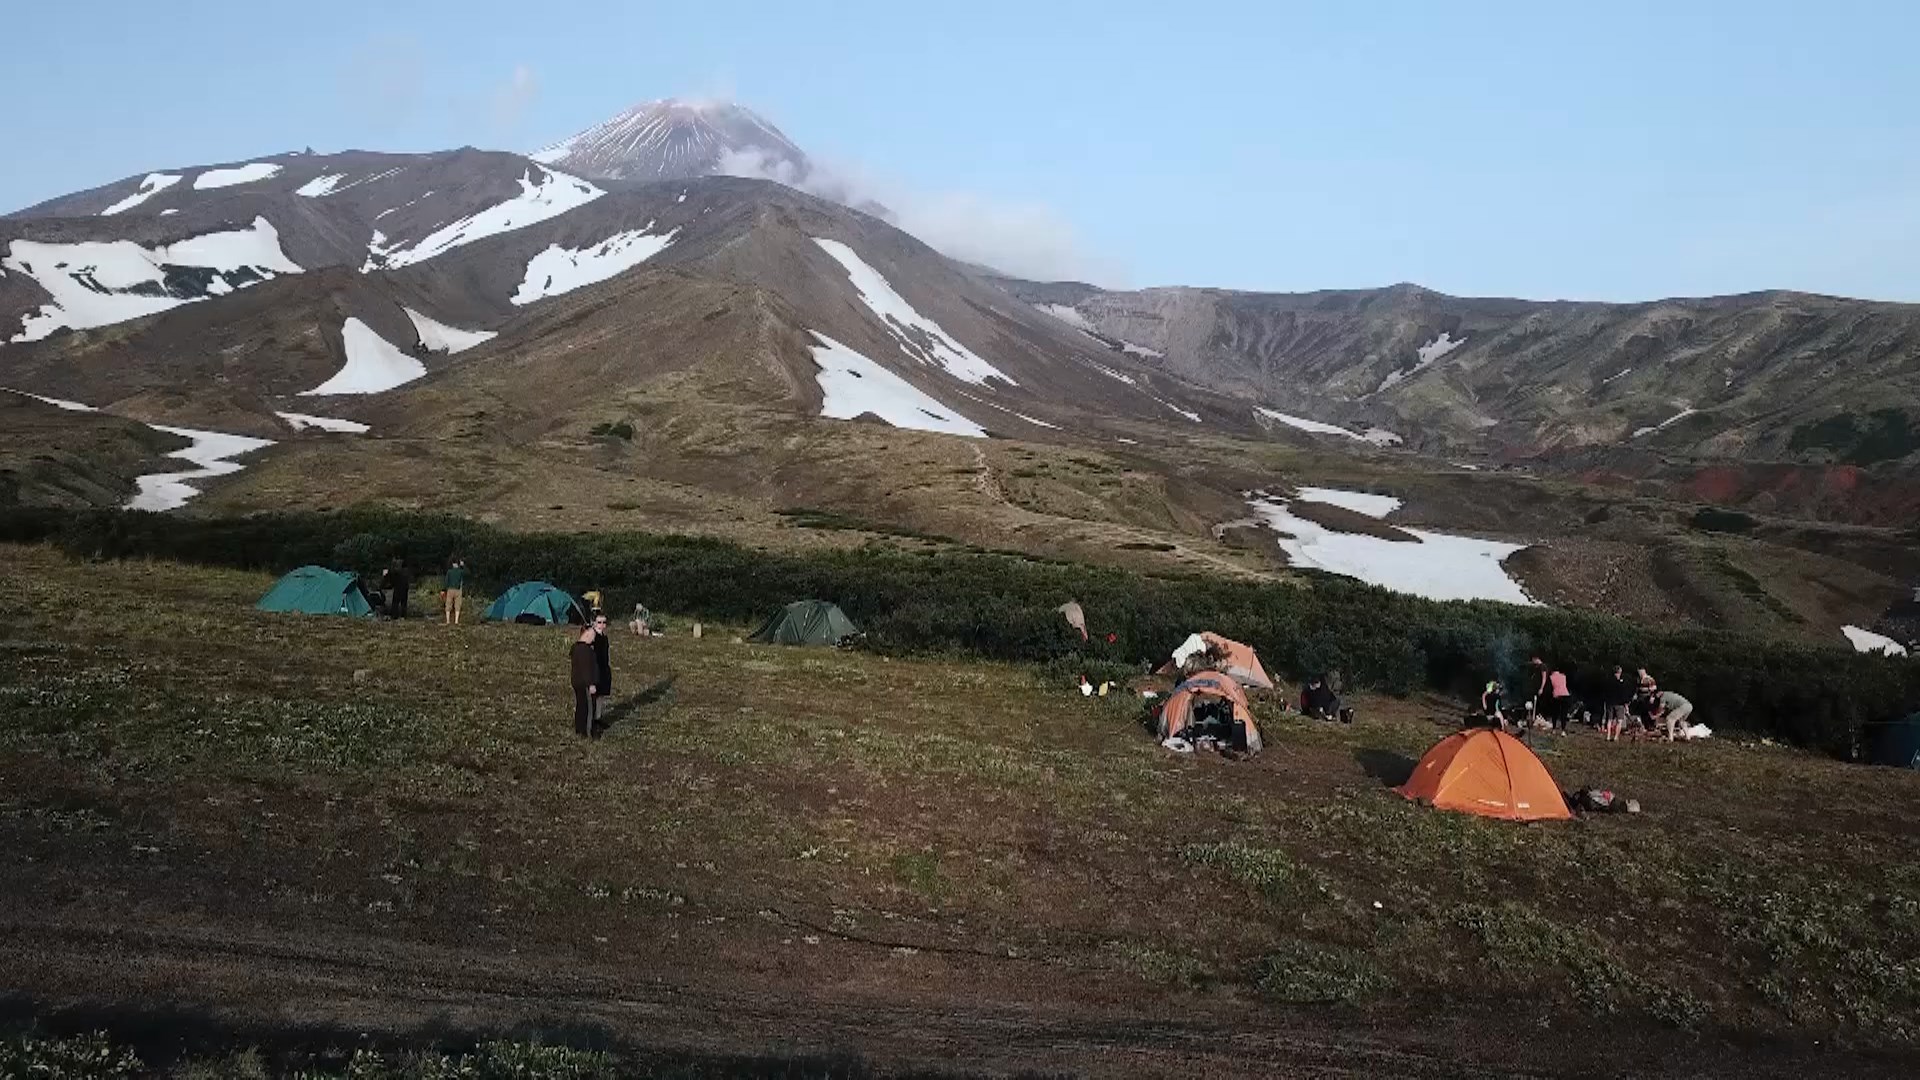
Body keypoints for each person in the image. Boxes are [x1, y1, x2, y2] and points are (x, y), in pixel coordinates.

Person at [570, 626, 599, 737]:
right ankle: (587, 731)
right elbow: (586, 669)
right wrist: (590, 684)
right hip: (585, 683)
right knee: (588, 707)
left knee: (581, 705)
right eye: (592, 636)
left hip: (577, 682)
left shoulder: (576, 648)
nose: (594, 639)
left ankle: (579, 729)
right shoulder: (584, 650)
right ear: (586, 634)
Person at [1602, 665, 1634, 742]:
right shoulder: (1621, 683)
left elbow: (1605, 693)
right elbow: (1623, 694)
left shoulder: (1608, 682)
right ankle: (1616, 737)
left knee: (1609, 720)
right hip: (1619, 704)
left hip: (1610, 703)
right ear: (1619, 672)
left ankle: (1608, 736)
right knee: (1619, 721)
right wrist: (1626, 704)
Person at [591, 610, 612, 722]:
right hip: (594, 670)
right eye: (599, 622)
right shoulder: (592, 637)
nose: (602, 625)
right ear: (594, 623)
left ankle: (598, 718)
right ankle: (591, 720)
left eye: (604, 623)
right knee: (593, 696)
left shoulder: (605, 637)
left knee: (601, 696)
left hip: (603, 669)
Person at [1547, 666, 1573, 733]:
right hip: (1565, 695)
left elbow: (1550, 689)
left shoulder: (1551, 677)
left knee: (1555, 713)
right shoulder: (1563, 676)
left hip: (1556, 695)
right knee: (1563, 714)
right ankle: (1563, 730)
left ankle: (1554, 729)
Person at [443, 557, 467, 625]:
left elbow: (446, 581)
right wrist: (463, 566)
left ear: (452, 564)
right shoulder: (460, 571)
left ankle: (448, 621)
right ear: (458, 564)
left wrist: (444, 589)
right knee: (457, 605)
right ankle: (456, 621)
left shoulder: (449, 571)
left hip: (450, 590)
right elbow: (467, 573)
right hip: (458, 590)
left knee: (448, 605)